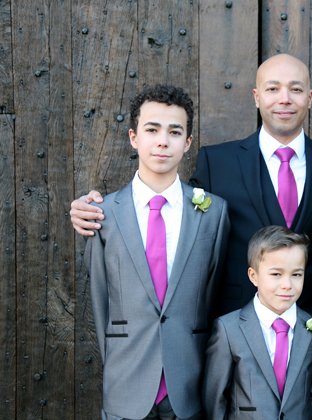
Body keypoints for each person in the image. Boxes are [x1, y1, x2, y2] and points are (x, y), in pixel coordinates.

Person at [71, 54, 312, 389]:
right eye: (273, 88)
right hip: (233, 332)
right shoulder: (218, 160)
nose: (284, 98)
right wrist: (96, 208)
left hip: (310, 331)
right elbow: (172, 209)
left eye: (295, 89)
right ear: (256, 97)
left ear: (309, 98)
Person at [84, 85, 230, 420]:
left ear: (188, 142)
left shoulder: (213, 213)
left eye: (174, 132)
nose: (163, 141)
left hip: (188, 383)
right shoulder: (103, 215)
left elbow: (210, 295)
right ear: (134, 137)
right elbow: (100, 300)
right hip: (126, 383)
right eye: (152, 129)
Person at [204, 225, 312, 420]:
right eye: (276, 274)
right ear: (253, 276)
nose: (287, 285)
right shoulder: (228, 330)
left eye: (296, 274)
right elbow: (215, 399)